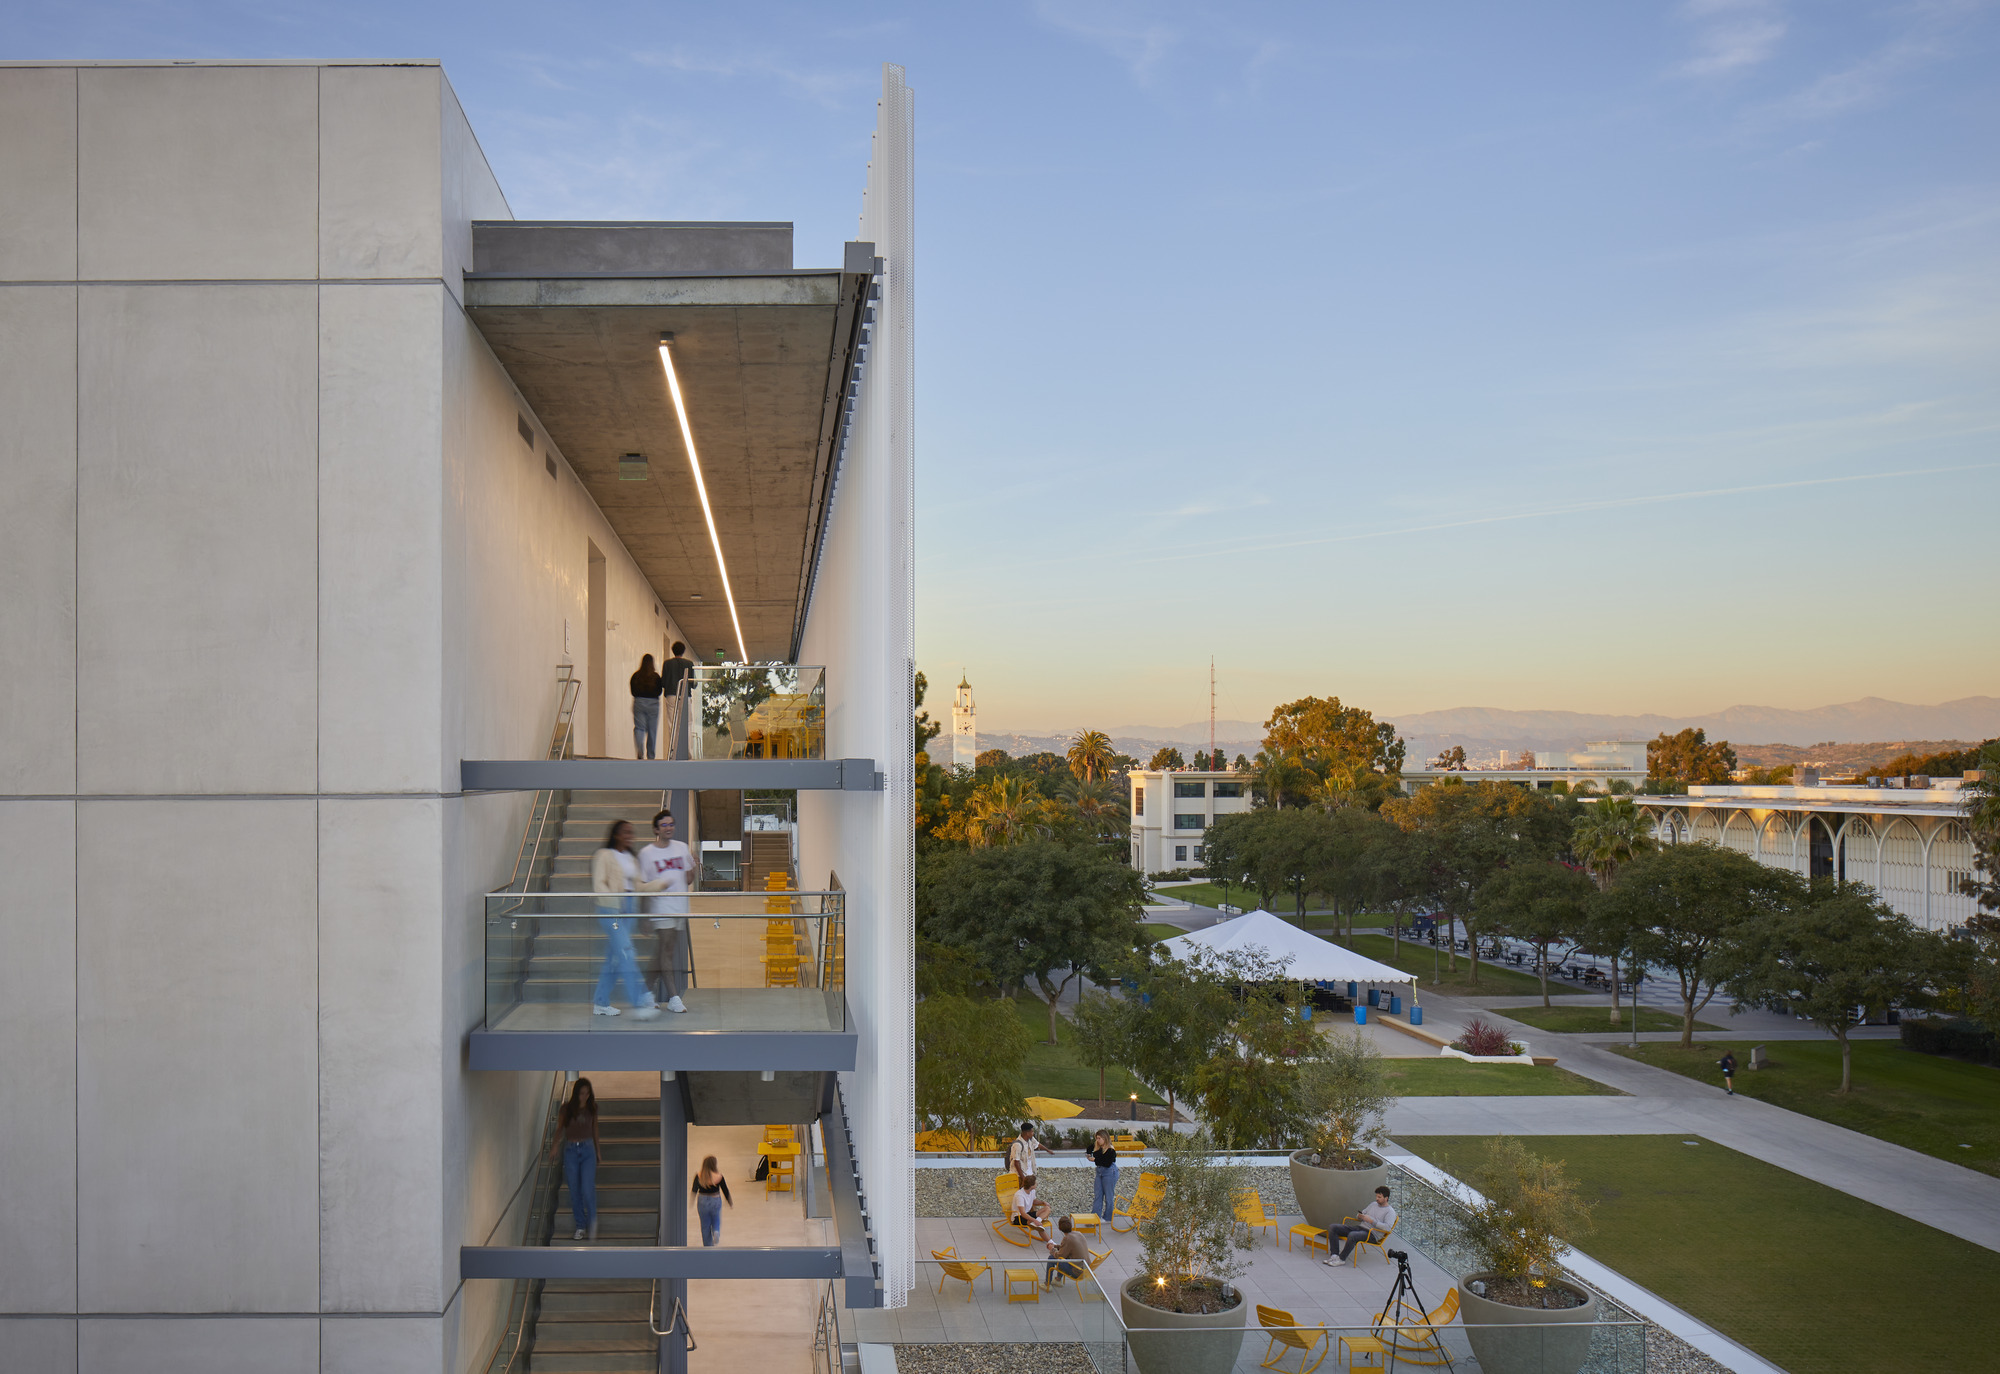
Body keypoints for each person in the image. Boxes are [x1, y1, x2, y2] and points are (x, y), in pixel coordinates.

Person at [590, 821, 661, 1019]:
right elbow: (599, 884)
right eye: (626, 832)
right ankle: (640, 1000)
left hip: (629, 907)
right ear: (616, 835)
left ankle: (601, 1002)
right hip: (610, 908)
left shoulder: (632, 858)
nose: (630, 835)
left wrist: (661, 884)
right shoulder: (604, 855)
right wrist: (615, 901)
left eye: (632, 832)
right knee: (626, 952)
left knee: (614, 959)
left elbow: (638, 886)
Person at [639, 809, 694, 1013]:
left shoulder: (682, 847)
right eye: (664, 825)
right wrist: (644, 916)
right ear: (656, 829)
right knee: (667, 953)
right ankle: (673, 997)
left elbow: (688, 879)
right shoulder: (647, 853)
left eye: (671, 824)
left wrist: (694, 865)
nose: (669, 828)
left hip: (680, 907)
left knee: (661, 953)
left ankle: (644, 992)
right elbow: (643, 886)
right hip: (660, 907)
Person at [551, 1078, 603, 1240]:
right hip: (571, 1151)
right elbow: (560, 1129)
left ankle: (592, 1220)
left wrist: (598, 1151)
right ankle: (580, 1225)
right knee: (574, 1190)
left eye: (587, 1094)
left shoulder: (592, 1108)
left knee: (587, 1187)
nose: (584, 1097)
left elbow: (594, 1129)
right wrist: (554, 1146)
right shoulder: (566, 1109)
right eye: (582, 1093)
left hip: (588, 1150)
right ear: (576, 1093)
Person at [1322, 1186, 1396, 1268]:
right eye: (1376, 1196)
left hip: (1372, 1234)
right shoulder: (1373, 1204)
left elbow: (1388, 1228)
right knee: (1333, 1227)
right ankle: (1334, 1255)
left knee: (1353, 1235)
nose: (1377, 1199)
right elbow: (1361, 1214)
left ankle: (1341, 1259)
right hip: (1360, 1228)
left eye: (1379, 1197)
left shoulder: (1390, 1212)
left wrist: (1372, 1221)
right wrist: (1360, 1216)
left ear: (1386, 1198)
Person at [658, 641, 695, 759]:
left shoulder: (667, 664)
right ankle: (688, 752)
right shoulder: (689, 663)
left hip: (671, 695)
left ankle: (673, 751)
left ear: (673, 651)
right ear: (683, 651)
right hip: (685, 695)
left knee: (672, 723)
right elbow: (693, 684)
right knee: (688, 723)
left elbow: (663, 682)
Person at [691, 1155, 733, 1246]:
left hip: (702, 1200)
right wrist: (729, 1201)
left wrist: (692, 1200)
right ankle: (716, 1231)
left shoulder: (699, 1175)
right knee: (716, 1218)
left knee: (705, 1225)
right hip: (715, 1199)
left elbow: (694, 1190)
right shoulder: (719, 1176)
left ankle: (708, 1246)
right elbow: (725, 1190)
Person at [630, 655, 664, 759]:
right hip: (653, 704)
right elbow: (659, 691)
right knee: (652, 730)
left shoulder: (636, 676)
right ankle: (651, 755)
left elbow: (633, 691)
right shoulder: (656, 676)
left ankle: (640, 749)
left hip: (639, 702)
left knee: (639, 728)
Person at [1045, 1214, 1090, 1287]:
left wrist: (1052, 1249)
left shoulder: (1067, 1239)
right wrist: (1055, 1246)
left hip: (1078, 1272)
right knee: (1065, 1257)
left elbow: (1059, 1255)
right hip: (1087, 1269)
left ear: (1059, 1228)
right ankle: (1058, 1280)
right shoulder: (1078, 1233)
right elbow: (1066, 1249)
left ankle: (1047, 1284)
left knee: (1051, 1258)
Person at [1088, 1129, 1119, 1221]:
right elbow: (1089, 1148)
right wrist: (1088, 1155)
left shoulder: (1110, 1150)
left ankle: (1108, 1217)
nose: (1097, 1140)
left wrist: (1094, 1160)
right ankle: (1095, 1216)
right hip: (1100, 1172)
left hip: (1109, 1172)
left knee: (1109, 1196)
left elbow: (1107, 1162)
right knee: (1098, 1194)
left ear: (1104, 1138)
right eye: (1096, 1138)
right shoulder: (1098, 1147)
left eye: (1099, 1138)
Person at [1009, 1174, 1051, 1241]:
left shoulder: (1032, 1191)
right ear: (1032, 1186)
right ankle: (1050, 1242)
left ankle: (1037, 1221)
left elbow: (1033, 1201)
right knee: (1037, 1225)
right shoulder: (1020, 1195)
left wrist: (1043, 1202)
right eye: (1035, 1183)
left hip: (1027, 1214)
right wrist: (1034, 1220)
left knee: (1047, 1208)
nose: (1037, 1184)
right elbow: (1022, 1213)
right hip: (1018, 1217)